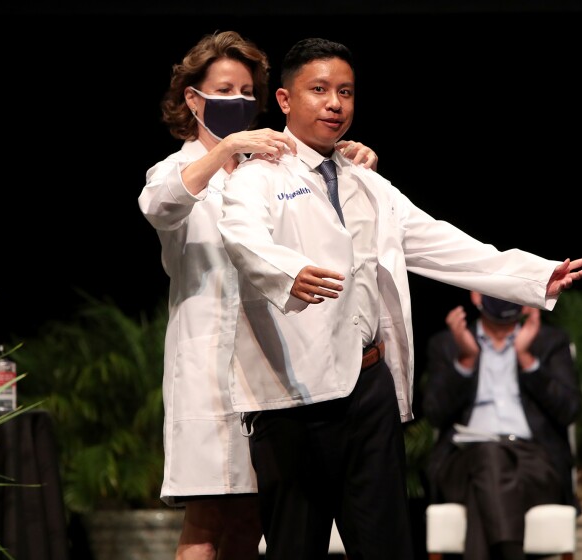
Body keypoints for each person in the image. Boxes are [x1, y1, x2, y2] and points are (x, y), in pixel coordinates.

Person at [216, 36, 582, 560]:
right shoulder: (257, 176)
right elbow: (241, 238)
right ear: (284, 100)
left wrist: (534, 275)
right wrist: (290, 271)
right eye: (320, 90)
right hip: (295, 396)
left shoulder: (368, 183)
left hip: (368, 389)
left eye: (345, 92)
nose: (335, 103)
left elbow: (443, 244)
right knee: (294, 544)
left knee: (386, 543)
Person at [137, 30, 378, 560]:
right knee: (206, 518)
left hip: (268, 369)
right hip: (205, 367)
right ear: (193, 99)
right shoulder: (174, 170)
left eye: (248, 92)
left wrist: (349, 158)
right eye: (225, 90)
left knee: (254, 518)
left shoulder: (267, 170)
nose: (240, 102)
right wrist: (224, 147)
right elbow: (158, 207)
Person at [422, 290, 581, 560]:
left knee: (484, 488)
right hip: (463, 461)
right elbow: (434, 414)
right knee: (489, 455)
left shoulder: (549, 342)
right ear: (475, 295)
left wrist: (527, 359)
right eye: (497, 287)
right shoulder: (449, 344)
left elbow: (570, 411)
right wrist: (466, 360)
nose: (505, 296)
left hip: (535, 463)